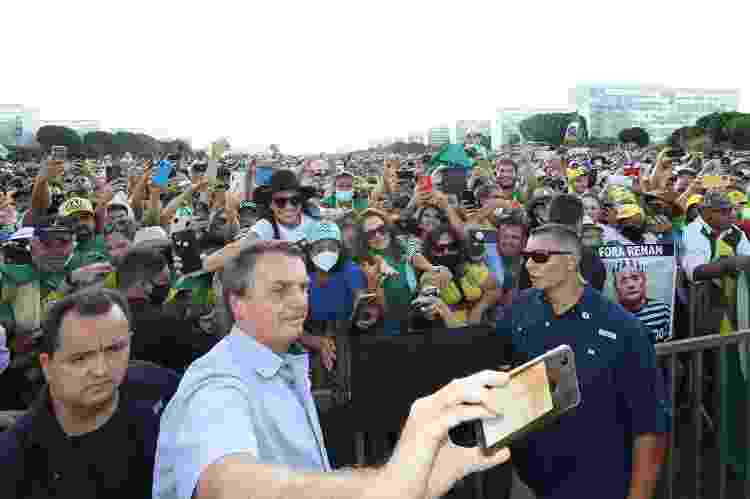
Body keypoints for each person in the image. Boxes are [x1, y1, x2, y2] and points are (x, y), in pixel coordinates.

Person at [153, 240, 511, 499]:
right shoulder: (217, 384)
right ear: (237, 303)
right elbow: (227, 484)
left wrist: (407, 477)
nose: (299, 302)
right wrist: (388, 486)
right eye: (280, 290)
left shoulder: (283, 366)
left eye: (303, 288)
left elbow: (306, 476)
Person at [497, 224, 668, 499]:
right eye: (526, 256)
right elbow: (501, 371)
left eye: (540, 257)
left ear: (570, 262)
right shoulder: (518, 310)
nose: (529, 265)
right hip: (528, 479)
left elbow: (649, 424)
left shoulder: (623, 328)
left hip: (596, 483)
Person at [0, 288, 179, 499]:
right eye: (80, 358)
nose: (101, 370)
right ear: (47, 366)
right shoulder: (15, 461)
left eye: (115, 349)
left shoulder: (158, 387)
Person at [613, 260, 672, 343]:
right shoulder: (611, 317)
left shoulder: (663, 311)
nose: (631, 285)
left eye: (635, 278)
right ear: (616, 287)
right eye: (624, 281)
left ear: (644, 281)